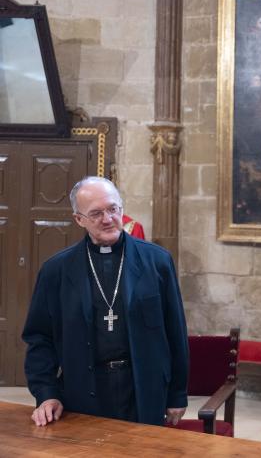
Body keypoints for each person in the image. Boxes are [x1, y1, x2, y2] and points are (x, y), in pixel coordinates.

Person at [23, 176, 189, 427]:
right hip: (83, 390)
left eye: (113, 209)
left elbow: (175, 332)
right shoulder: (56, 270)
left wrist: (177, 394)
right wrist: (46, 393)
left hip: (143, 388)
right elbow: (39, 339)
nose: (108, 219)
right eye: (96, 213)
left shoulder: (157, 262)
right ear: (79, 219)